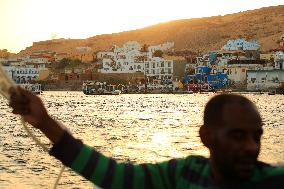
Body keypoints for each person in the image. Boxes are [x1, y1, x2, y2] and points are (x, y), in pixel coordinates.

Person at [9, 87, 284, 189]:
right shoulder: (183, 173)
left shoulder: (272, 180)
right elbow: (114, 177)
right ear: (206, 137)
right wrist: (44, 122)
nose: (251, 147)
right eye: (238, 136)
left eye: (256, 137)